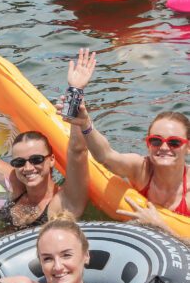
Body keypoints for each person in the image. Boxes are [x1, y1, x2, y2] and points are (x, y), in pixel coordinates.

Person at [0, 49, 92, 228]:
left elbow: (78, 152)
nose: (28, 167)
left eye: (36, 159)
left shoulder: (63, 203)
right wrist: (15, 176)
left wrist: (75, 91)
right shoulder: (16, 187)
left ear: (52, 160)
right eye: (19, 162)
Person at [61, 63, 189, 231]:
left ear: (187, 147)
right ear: (148, 143)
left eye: (174, 142)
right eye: (156, 141)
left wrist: (161, 226)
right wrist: (77, 99)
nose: (164, 147)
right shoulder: (140, 168)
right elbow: (105, 157)